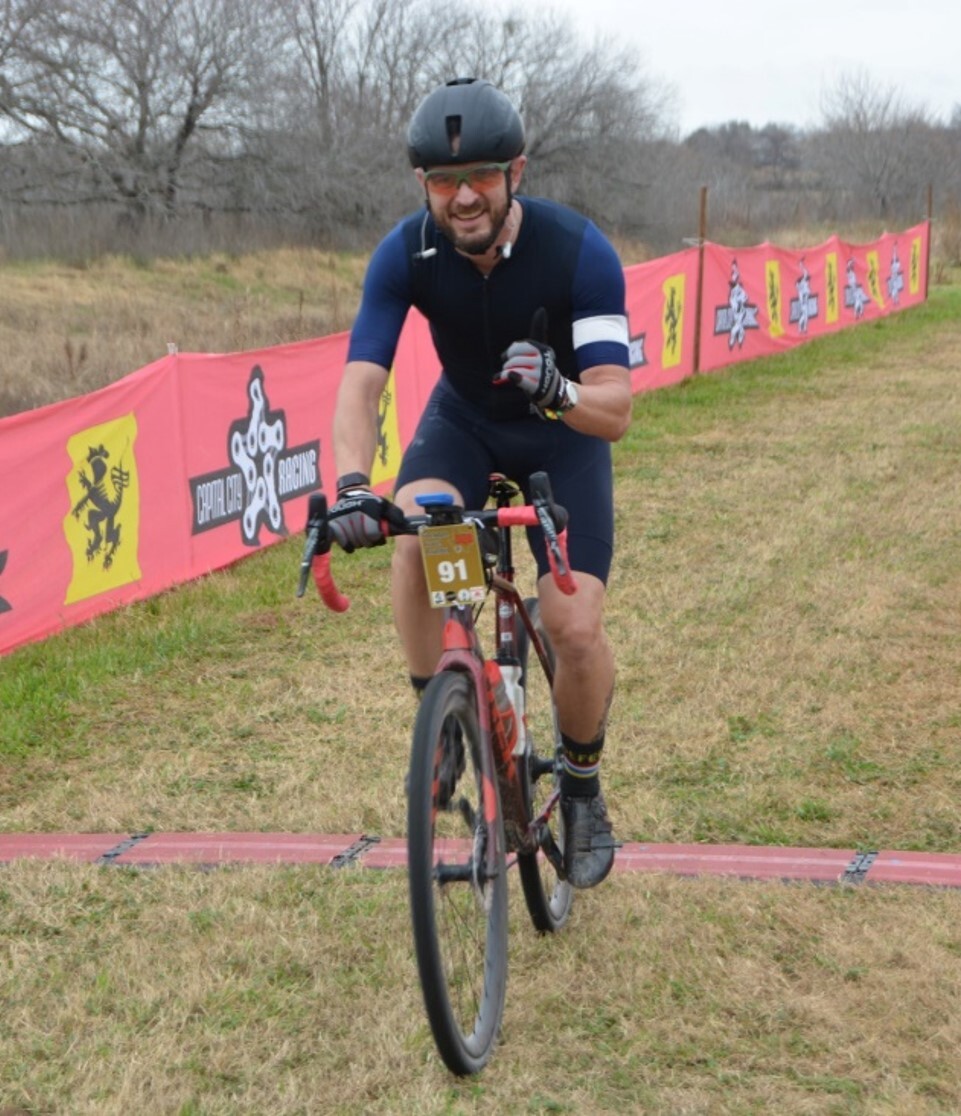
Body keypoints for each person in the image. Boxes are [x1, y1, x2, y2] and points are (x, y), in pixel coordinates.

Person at [327, 77, 632, 888]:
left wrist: (558, 390)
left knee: (570, 626)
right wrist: (355, 484)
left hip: (559, 437)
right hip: (461, 423)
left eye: (481, 177)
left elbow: (615, 410)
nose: (462, 197)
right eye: (441, 181)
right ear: (421, 186)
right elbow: (361, 380)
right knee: (421, 535)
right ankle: (446, 716)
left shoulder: (578, 251)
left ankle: (580, 782)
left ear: (516, 173)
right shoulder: (405, 253)